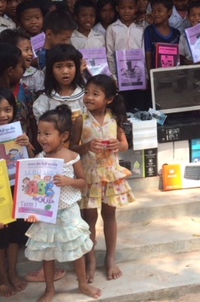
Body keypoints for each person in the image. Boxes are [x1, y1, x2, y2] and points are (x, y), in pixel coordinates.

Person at [25, 105, 100, 301]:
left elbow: (83, 183)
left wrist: (69, 181)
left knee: (76, 249)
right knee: (47, 253)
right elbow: (32, 188)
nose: (42, 138)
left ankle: (82, 284)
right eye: (40, 133)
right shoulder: (39, 158)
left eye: (47, 133)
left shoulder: (72, 157)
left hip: (68, 212)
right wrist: (32, 210)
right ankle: (50, 289)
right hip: (46, 214)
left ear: (64, 136)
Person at [73, 75, 135, 283]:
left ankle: (110, 257)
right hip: (89, 176)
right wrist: (87, 146)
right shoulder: (80, 119)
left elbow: (124, 144)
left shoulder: (115, 118)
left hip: (110, 175)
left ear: (108, 99)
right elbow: (71, 149)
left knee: (109, 216)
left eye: (95, 94)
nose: (89, 97)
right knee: (88, 218)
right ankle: (91, 260)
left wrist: (119, 145)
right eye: (87, 92)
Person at [0, 88, 34, 297]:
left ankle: (12, 272)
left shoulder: (18, 133)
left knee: (15, 235)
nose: (2, 115)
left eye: (7, 110)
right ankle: (2, 277)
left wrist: (27, 144)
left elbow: (31, 161)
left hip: (16, 188)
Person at [33, 44, 85, 147]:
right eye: (59, 66)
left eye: (70, 66)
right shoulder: (45, 100)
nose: (65, 71)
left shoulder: (86, 97)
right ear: (51, 70)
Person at [0, 43, 37, 145]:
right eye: (21, 67)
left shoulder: (24, 91)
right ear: (10, 71)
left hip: (25, 146)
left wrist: (35, 146)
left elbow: (33, 121)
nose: (24, 70)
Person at [105, 0, 146, 110]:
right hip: (120, 78)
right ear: (117, 8)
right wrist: (113, 77)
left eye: (130, 7)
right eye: (122, 7)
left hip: (139, 78)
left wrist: (145, 76)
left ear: (136, 8)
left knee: (139, 108)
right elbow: (110, 54)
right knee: (122, 109)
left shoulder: (142, 27)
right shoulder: (112, 29)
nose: (126, 11)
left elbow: (144, 53)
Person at [0, 29, 45, 95]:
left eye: (31, 49)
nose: (31, 54)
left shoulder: (36, 75)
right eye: (26, 50)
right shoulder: (0, 75)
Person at [144, 0, 180, 70]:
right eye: (153, 11)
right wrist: (150, 74)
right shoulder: (149, 31)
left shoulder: (176, 33)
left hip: (173, 75)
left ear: (169, 12)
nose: (156, 14)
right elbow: (148, 54)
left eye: (159, 11)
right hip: (155, 75)